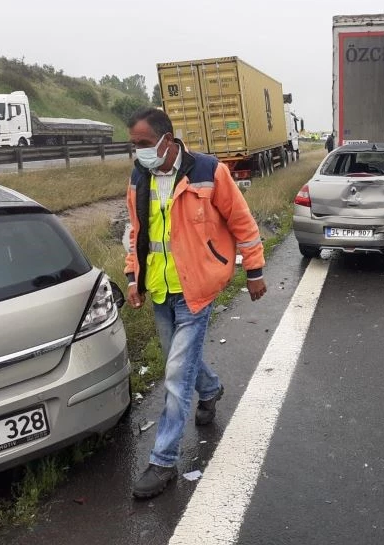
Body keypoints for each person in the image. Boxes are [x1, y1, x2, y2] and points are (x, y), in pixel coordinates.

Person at [124, 108, 267, 499]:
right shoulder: (139, 178)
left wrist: (253, 271)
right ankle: (211, 389)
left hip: (197, 289)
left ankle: (163, 460)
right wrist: (133, 278)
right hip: (159, 288)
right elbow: (137, 234)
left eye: (142, 143)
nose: (137, 152)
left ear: (166, 140)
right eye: (133, 145)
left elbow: (242, 222)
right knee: (179, 362)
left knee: (174, 376)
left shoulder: (208, 171)